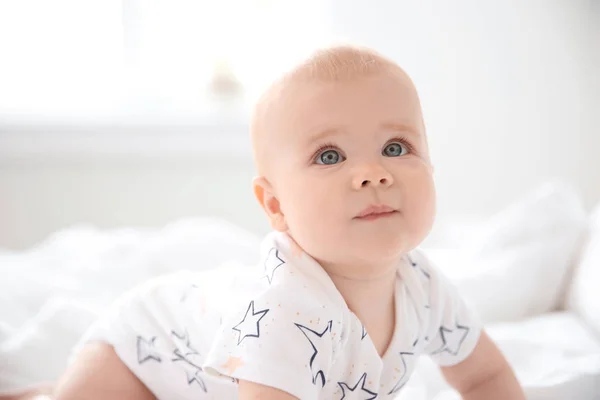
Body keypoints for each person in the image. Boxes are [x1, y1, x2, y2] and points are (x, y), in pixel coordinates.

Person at [53, 45, 525, 399]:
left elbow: (485, 377)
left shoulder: (425, 290)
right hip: (140, 351)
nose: (374, 174)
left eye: (396, 148)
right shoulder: (286, 312)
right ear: (275, 206)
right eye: (330, 155)